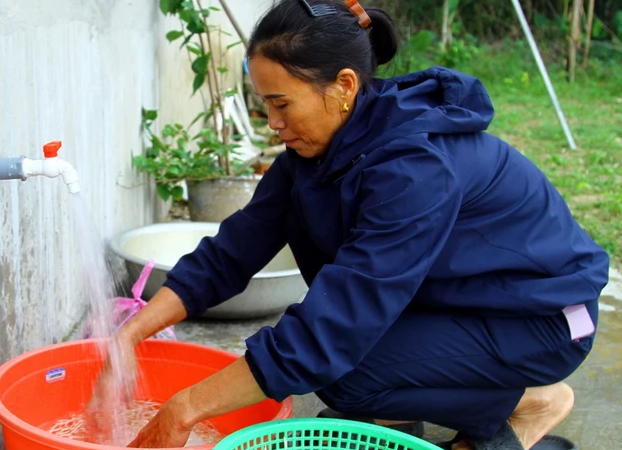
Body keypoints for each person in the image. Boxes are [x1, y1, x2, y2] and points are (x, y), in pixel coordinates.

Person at [91, 0, 610, 448]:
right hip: (462, 300)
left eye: (281, 104)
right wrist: (131, 333)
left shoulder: (414, 169)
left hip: (542, 318)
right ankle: (402, 412)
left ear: (342, 86)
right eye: (263, 105)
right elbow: (235, 249)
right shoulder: (314, 150)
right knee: (345, 362)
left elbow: (332, 330)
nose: (272, 123)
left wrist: (184, 408)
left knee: (344, 369)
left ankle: (528, 401)